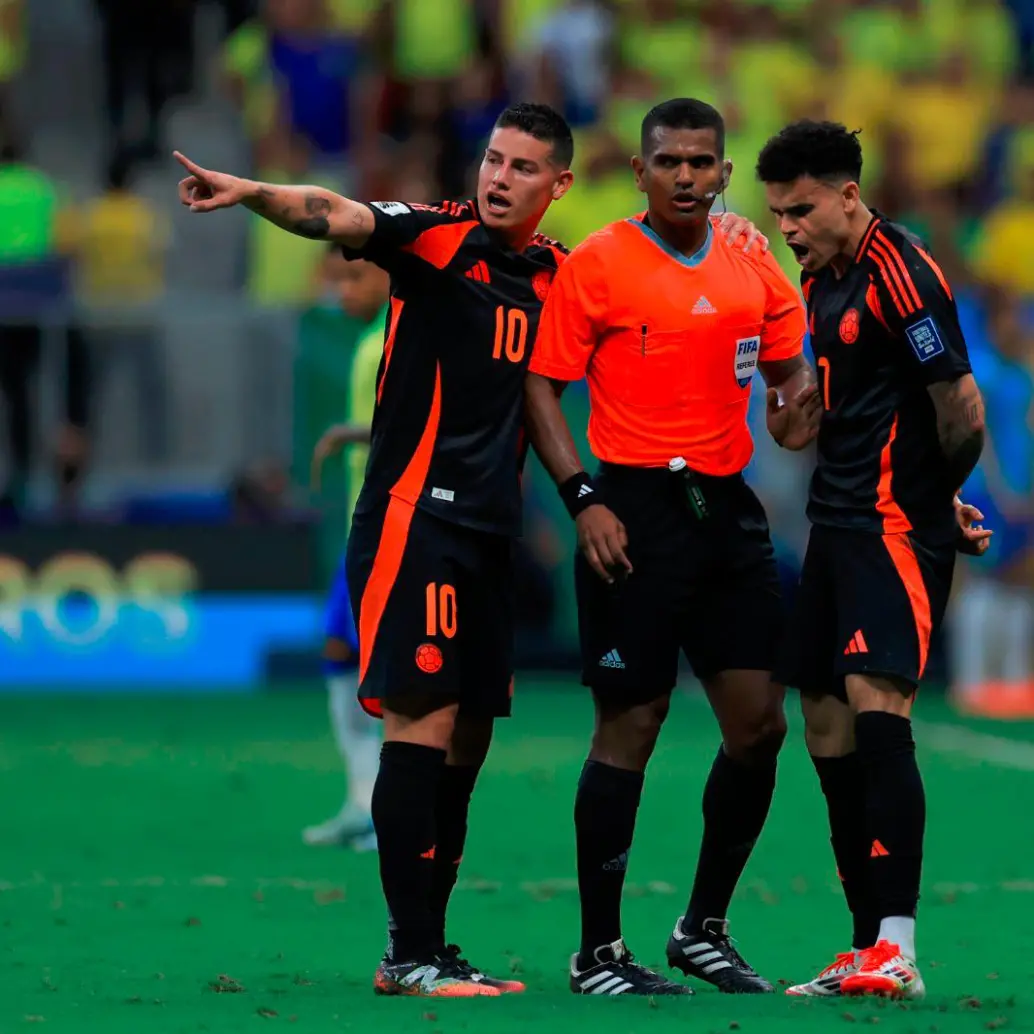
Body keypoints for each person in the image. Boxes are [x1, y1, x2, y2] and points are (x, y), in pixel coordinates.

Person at [175, 101, 764, 998]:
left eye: (523, 167)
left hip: (489, 532)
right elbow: (334, 214)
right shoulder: (436, 240)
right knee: (424, 722)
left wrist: (727, 228)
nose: (498, 177)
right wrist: (252, 191)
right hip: (419, 518)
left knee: (467, 745)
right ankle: (406, 952)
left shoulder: (562, 275)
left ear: (558, 185)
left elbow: (648, 272)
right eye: (494, 159)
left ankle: (431, 944)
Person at [524, 98, 820, 997]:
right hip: (632, 509)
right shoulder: (601, 263)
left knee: (761, 727)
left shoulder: (749, 255)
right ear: (641, 173)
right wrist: (584, 503)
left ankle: (702, 927)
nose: (687, 175)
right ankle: (599, 952)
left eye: (702, 161)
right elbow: (542, 391)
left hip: (726, 510)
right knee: (632, 725)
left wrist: (794, 403)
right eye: (670, 162)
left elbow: (786, 370)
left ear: (725, 173)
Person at [756, 119, 990, 1000]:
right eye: (779, 213)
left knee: (876, 705)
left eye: (803, 210)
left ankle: (900, 944)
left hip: (893, 530)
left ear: (849, 195)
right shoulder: (821, 280)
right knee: (823, 723)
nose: (790, 228)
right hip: (834, 527)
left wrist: (933, 501)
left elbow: (961, 409)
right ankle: (863, 948)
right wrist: (796, 418)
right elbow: (840, 406)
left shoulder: (905, 272)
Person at [302, 252, 391, 851]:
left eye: (355, 275)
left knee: (389, 671)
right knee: (342, 648)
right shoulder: (369, 337)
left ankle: (392, 812)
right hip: (367, 522)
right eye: (337, 278)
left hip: (397, 522)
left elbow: (426, 419)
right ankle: (363, 801)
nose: (342, 289)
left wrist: (348, 433)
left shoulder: (405, 335)